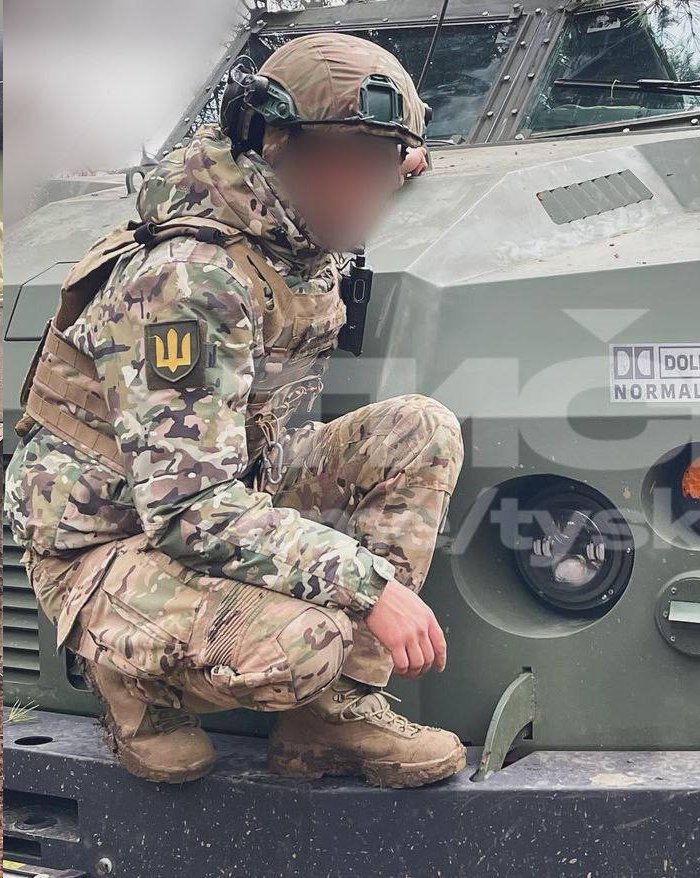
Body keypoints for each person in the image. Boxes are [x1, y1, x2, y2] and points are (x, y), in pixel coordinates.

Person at [4, 33, 467, 788]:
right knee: (309, 641)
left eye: (387, 164)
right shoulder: (190, 280)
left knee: (419, 430)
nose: (376, 188)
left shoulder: (295, 220)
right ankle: (128, 680)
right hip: (113, 545)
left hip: (233, 489)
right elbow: (189, 509)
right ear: (274, 148)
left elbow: (363, 159)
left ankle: (331, 718)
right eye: (356, 162)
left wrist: (391, 150)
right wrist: (369, 587)